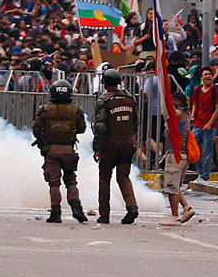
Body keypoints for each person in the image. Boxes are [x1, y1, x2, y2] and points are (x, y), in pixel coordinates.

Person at [32, 79, 88, 223]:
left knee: (54, 182)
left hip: (51, 150)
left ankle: (56, 212)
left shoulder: (45, 110)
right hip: (69, 149)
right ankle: (77, 207)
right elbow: (82, 129)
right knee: (70, 180)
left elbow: (36, 128)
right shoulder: (76, 110)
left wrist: (42, 141)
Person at [92, 69, 139, 225]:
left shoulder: (104, 101)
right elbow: (135, 123)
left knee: (104, 178)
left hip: (110, 144)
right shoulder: (130, 99)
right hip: (127, 143)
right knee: (124, 177)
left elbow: (100, 127)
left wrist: (97, 148)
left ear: (105, 83)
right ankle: (132, 206)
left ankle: (104, 214)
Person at [159, 91, 196, 226]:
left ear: (179, 102)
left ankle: (174, 217)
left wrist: (165, 100)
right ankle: (187, 208)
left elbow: (168, 112)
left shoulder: (179, 114)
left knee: (171, 188)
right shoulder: (184, 114)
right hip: (179, 155)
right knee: (175, 186)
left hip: (176, 155)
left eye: (173, 100)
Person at [189, 67, 218, 181]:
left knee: (207, 151)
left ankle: (204, 176)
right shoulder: (197, 90)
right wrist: (193, 115)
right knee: (193, 147)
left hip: (210, 125)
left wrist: (209, 123)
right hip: (198, 123)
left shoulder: (215, 91)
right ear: (202, 77)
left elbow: (217, 109)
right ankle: (201, 171)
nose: (208, 76)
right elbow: (194, 104)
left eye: (210, 74)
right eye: (206, 74)